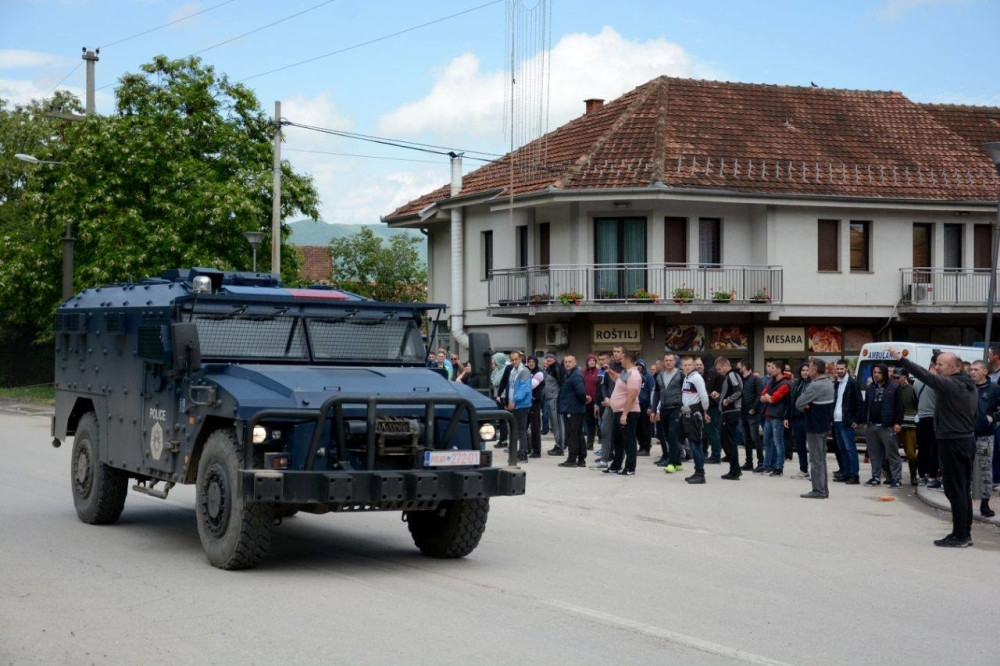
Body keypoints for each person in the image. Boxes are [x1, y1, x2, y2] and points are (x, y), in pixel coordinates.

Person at [892, 348, 978, 547]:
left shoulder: (952, 384)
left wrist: (902, 360)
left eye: (940, 364)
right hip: (964, 440)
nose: (937, 368)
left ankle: (960, 535)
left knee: (955, 489)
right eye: (936, 363)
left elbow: (925, 375)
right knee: (962, 489)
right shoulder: (966, 384)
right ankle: (964, 532)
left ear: (954, 367)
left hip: (954, 442)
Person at [795, 359, 835, 498]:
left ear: (816, 370)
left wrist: (807, 404)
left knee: (816, 459)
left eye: (810, 367)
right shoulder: (829, 383)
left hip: (814, 426)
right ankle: (823, 488)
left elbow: (799, 403)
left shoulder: (814, 386)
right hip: (824, 425)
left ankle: (819, 490)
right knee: (821, 459)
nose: (808, 370)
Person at [860, 363, 904, 488]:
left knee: (892, 453)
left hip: (888, 425)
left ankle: (897, 479)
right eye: (874, 372)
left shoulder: (894, 387)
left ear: (884, 373)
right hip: (871, 425)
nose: (876, 375)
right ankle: (875, 477)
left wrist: (897, 423)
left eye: (879, 372)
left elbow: (899, 407)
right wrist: (865, 421)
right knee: (874, 453)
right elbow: (866, 405)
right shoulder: (870, 388)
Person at [970, 361, 1000, 518]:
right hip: (966, 434)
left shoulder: (994, 389)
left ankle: (985, 503)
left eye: (976, 369)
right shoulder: (967, 387)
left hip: (985, 436)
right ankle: (964, 502)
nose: (972, 372)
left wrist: (993, 417)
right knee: (964, 468)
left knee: (985, 469)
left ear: (985, 372)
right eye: (971, 370)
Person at [605, 350, 642, 476]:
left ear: (627, 359)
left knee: (629, 440)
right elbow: (617, 379)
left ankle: (630, 468)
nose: (620, 359)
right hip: (618, 411)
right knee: (618, 440)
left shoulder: (634, 375)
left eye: (622, 357)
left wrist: (625, 414)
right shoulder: (626, 373)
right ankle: (616, 465)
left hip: (628, 413)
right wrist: (609, 371)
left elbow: (631, 396)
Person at [675, 356, 709, 484]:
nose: (687, 367)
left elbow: (704, 396)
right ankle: (697, 471)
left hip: (694, 415)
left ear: (694, 365)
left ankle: (700, 473)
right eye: (685, 365)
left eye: (689, 365)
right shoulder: (687, 378)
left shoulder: (696, 378)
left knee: (695, 444)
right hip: (686, 415)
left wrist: (704, 410)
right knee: (692, 443)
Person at [831, 360, 863, 485]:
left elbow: (859, 402)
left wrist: (857, 419)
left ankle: (854, 475)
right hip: (836, 420)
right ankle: (845, 473)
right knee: (841, 449)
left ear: (846, 369)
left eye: (841, 369)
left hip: (847, 421)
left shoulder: (852, 383)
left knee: (850, 449)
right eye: (837, 369)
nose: (839, 371)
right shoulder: (836, 384)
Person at [651, 353, 684, 471]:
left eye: (671, 360)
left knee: (673, 435)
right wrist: (654, 410)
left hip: (675, 408)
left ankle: (672, 462)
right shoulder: (659, 376)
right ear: (664, 362)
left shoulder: (680, 375)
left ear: (675, 362)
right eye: (666, 361)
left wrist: (683, 407)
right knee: (667, 436)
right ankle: (678, 462)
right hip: (664, 409)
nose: (668, 362)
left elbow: (684, 391)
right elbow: (656, 393)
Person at [759, 360, 791, 476]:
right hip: (768, 415)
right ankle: (766, 466)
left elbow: (774, 399)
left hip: (778, 417)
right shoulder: (771, 382)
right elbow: (762, 396)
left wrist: (768, 397)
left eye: (772, 367)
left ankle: (779, 468)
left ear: (779, 369)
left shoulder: (786, 384)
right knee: (766, 441)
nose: (770, 369)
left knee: (778, 443)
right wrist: (768, 397)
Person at [714, 357, 744, 480]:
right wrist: (721, 396)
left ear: (726, 365)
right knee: (727, 440)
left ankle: (735, 470)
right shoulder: (731, 376)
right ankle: (735, 469)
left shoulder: (731, 375)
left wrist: (727, 400)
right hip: (729, 412)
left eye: (719, 368)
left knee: (728, 441)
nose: (718, 371)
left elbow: (738, 392)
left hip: (731, 412)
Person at [557, 355, 589, 468]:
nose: (567, 364)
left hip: (573, 409)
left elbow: (581, 392)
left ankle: (572, 459)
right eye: (565, 362)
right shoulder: (569, 374)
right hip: (572, 408)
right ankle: (581, 459)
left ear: (575, 362)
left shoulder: (575, 375)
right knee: (578, 434)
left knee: (572, 435)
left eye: (570, 362)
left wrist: (584, 400)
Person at [914, 358, 940, 487]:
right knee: (933, 447)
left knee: (922, 448)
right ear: (935, 366)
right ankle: (932, 476)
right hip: (934, 418)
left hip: (921, 417)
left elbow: (916, 398)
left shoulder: (917, 382)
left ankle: (921, 475)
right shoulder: (937, 382)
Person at [504, 351, 532, 463]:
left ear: (520, 359)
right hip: (514, 404)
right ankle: (515, 452)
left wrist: (514, 400)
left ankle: (523, 454)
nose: (514, 362)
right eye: (512, 360)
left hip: (522, 405)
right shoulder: (512, 370)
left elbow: (524, 389)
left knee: (521, 430)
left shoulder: (524, 371)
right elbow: (510, 387)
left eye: (516, 359)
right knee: (514, 429)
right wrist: (508, 401)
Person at [894, 367, 919, 485]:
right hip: (896, 424)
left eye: (898, 377)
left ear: (905, 377)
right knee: (892, 451)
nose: (895, 379)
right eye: (894, 377)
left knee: (910, 452)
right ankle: (891, 476)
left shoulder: (912, 389)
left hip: (909, 425)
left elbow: (917, 405)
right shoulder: (894, 389)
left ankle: (913, 476)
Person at [785, 363, 811, 479]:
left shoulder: (812, 384)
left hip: (809, 418)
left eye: (807, 370)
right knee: (800, 446)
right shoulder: (796, 384)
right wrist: (787, 417)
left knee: (813, 447)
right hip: (797, 418)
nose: (805, 372)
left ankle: (816, 471)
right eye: (803, 370)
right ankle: (803, 469)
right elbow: (790, 402)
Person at [736, 360, 764, 471]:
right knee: (746, 439)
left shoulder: (755, 379)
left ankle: (761, 462)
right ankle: (749, 462)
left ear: (745, 367)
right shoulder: (741, 380)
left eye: (740, 367)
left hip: (752, 413)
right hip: (742, 412)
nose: (738, 369)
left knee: (755, 438)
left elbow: (759, 394)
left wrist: (754, 408)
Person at [543, 352, 565, 456]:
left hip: (556, 399)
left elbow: (562, 384)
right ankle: (557, 445)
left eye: (551, 357)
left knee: (558, 424)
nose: (548, 359)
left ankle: (560, 446)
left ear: (555, 358)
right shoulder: (549, 369)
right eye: (547, 357)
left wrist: (560, 397)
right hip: (549, 399)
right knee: (554, 424)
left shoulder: (557, 368)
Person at [526, 355, 546, 458]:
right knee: (523, 427)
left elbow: (531, 385)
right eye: (529, 361)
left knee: (535, 428)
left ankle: (536, 451)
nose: (531, 363)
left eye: (533, 361)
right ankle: (526, 448)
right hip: (526, 403)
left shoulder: (539, 373)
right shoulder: (527, 371)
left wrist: (521, 383)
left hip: (535, 403)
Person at [491, 352, 511, 449]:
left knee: (503, 419)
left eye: (494, 360)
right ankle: (502, 439)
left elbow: (495, 381)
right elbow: (492, 378)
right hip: (497, 396)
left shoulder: (503, 370)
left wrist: (494, 380)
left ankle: (503, 440)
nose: (493, 362)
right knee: (500, 419)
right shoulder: (497, 370)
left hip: (502, 397)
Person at [636, 359, 654, 456]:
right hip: (636, 405)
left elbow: (652, 391)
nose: (638, 367)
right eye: (637, 365)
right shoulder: (634, 377)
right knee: (637, 428)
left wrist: (651, 406)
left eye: (640, 365)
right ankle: (641, 446)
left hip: (645, 405)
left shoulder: (648, 377)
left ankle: (646, 448)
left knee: (645, 428)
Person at [582, 354, 600, 450]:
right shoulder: (583, 373)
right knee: (590, 423)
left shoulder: (598, 372)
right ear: (587, 362)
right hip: (586, 402)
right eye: (590, 360)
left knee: (600, 423)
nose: (592, 362)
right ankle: (589, 444)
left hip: (597, 402)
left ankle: (603, 443)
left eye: (594, 360)